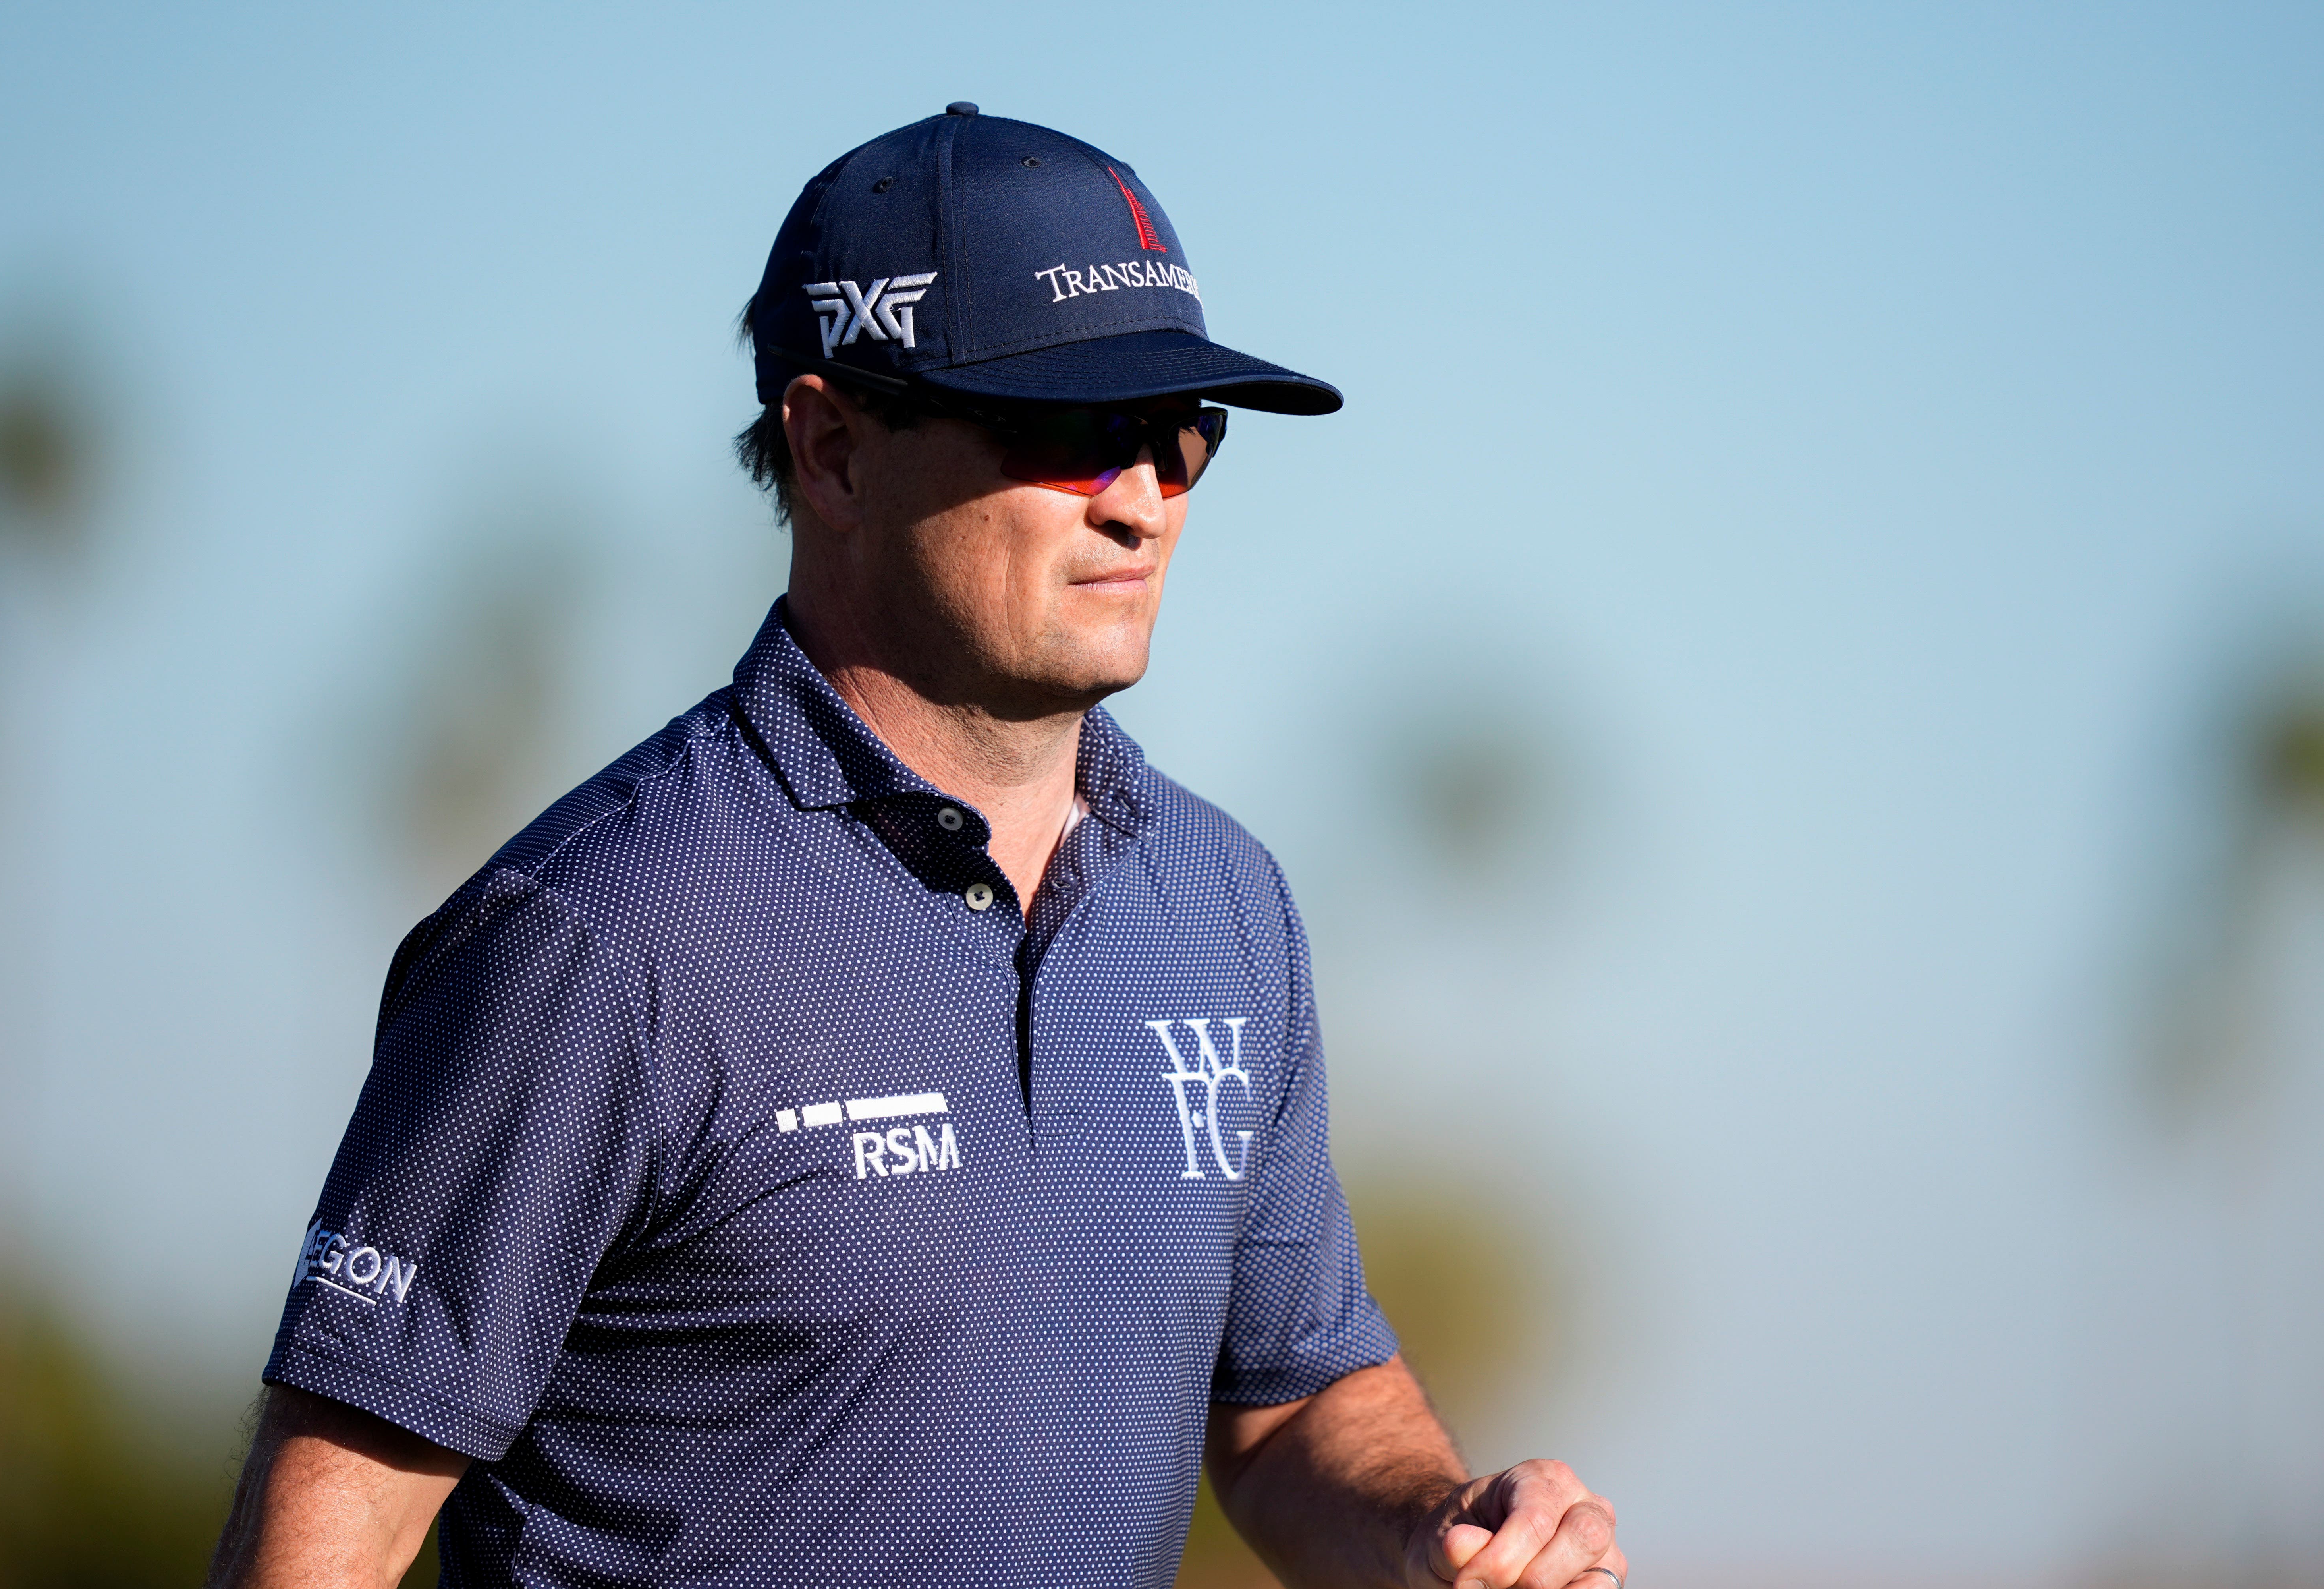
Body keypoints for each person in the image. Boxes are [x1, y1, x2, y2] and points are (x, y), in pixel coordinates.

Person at [208, 105, 1625, 1589]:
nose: (1143, 500)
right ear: (831, 450)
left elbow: (1286, 1412)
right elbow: (326, 1537)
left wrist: (1439, 1529)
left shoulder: (1225, 908)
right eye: (1075, 431)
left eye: (1181, 434)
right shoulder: (600, 937)